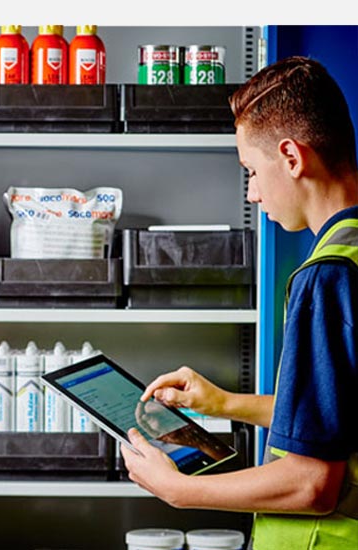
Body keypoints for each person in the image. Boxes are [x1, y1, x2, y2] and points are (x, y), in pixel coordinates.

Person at [120, 56, 358, 550]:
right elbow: (335, 419)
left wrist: (179, 491)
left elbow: (312, 483)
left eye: (251, 170)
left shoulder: (327, 276)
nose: (251, 194)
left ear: (292, 158)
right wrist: (224, 404)